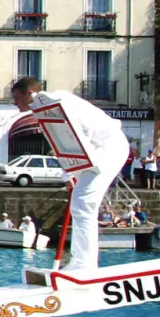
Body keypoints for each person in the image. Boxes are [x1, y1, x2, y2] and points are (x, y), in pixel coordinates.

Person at [10, 76, 129, 271]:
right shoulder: (45, 108)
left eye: (16, 97)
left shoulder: (57, 102)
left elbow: (77, 136)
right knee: (79, 204)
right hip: (94, 150)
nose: (14, 103)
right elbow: (62, 141)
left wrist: (73, 173)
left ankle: (84, 264)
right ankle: (80, 261)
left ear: (29, 94)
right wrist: (69, 176)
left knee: (83, 202)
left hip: (108, 147)